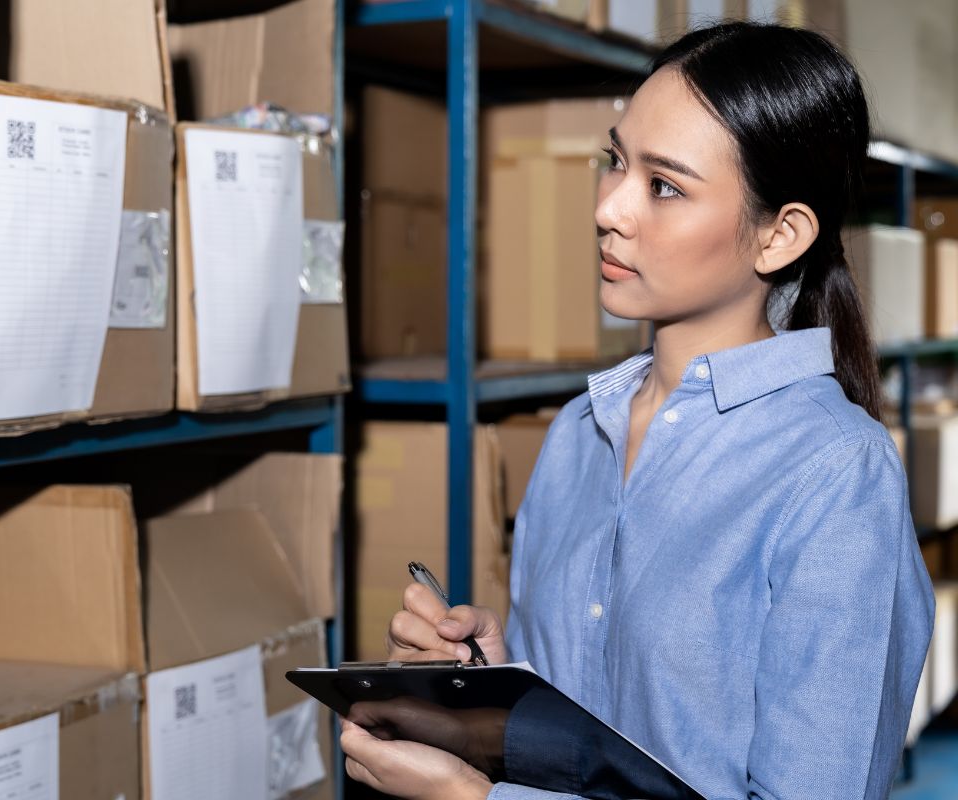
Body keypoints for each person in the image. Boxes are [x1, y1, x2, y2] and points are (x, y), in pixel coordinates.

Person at [341, 21, 935, 800]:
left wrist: (472, 799)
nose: (610, 207)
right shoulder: (577, 434)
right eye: (614, 160)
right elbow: (593, 741)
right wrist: (490, 689)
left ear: (779, 235)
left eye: (664, 185)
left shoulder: (836, 476)